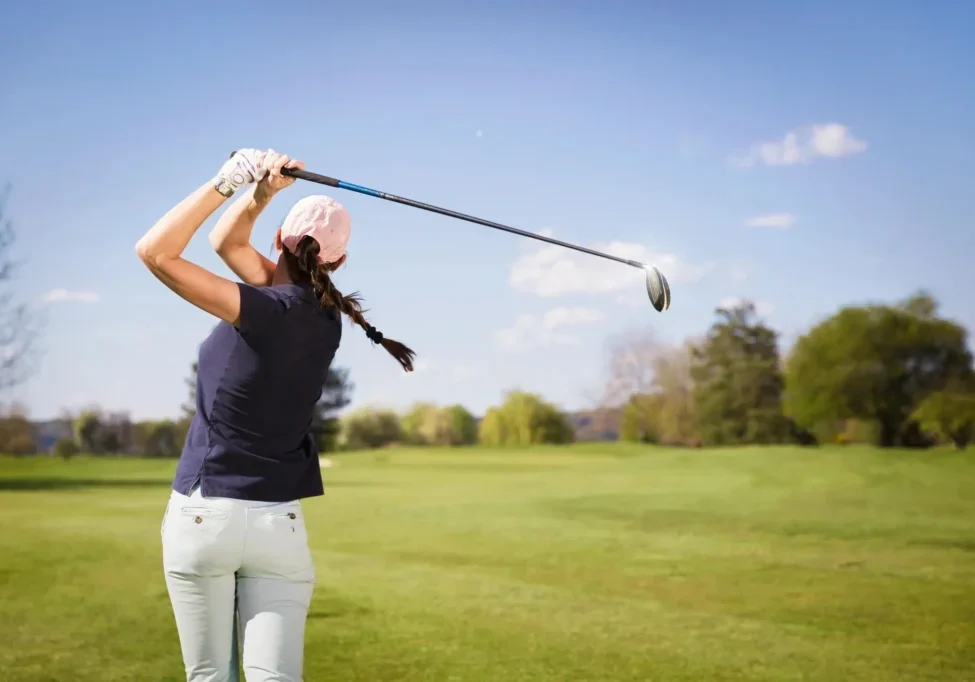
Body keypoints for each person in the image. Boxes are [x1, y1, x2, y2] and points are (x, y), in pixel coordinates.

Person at [136, 148, 415, 682]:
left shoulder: (263, 308)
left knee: (210, 677)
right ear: (338, 262)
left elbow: (155, 252)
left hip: (206, 515)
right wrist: (260, 194)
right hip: (278, 526)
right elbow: (227, 245)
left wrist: (228, 182)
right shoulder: (327, 318)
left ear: (280, 241)